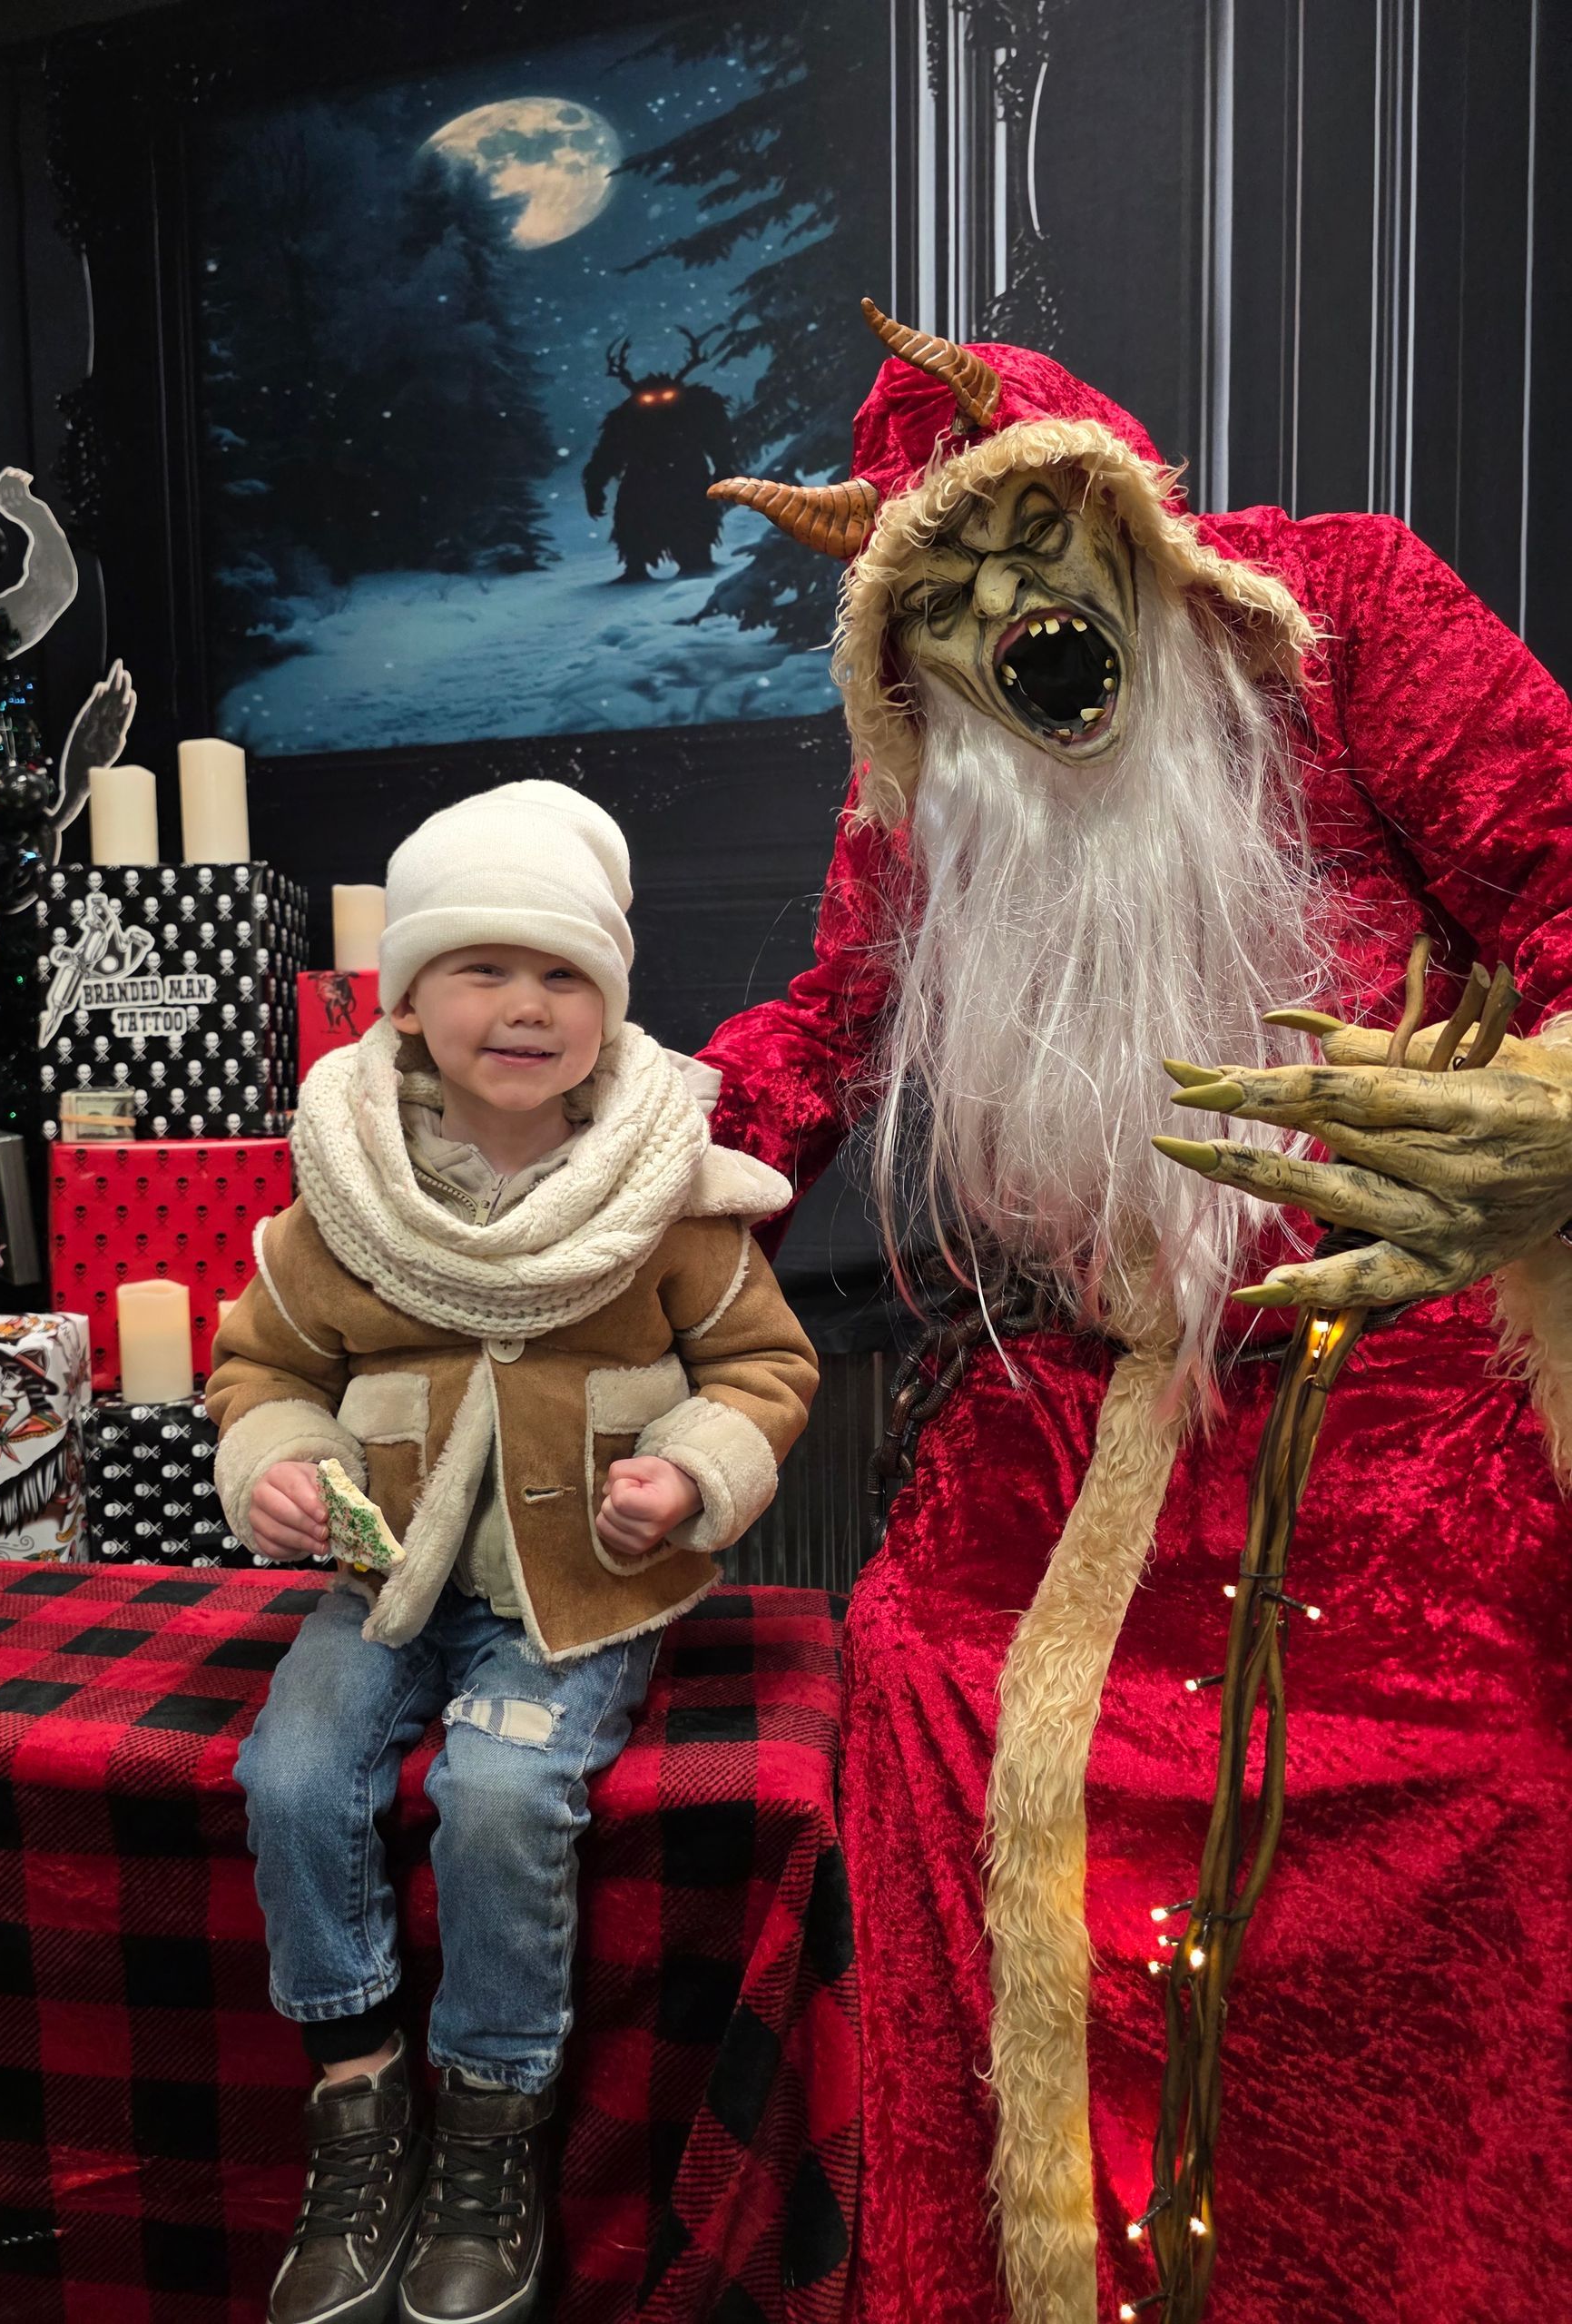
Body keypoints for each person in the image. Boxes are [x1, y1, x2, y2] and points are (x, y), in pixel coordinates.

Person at [699, 300, 1572, 2322]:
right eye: (953, 600)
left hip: (1403, 1375)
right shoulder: (927, 789)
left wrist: (1547, 1114)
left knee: (1458, 1785)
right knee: (922, 1685)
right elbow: (824, 1029)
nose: (1019, 627)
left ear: (1134, 527)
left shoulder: (1337, 610)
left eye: (1037, 554)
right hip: (1079, 1399)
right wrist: (635, 1155)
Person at [206, 780, 818, 2324]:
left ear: (608, 1013)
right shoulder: (338, 1204)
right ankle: (359, 2096)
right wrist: (282, 1466)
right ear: (408, 1001)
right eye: (483, 968)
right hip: (388, 1574)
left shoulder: (665, 1200)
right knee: (289, 1773)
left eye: (565, 976)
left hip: (579, 1591)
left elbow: (766, 1370)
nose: (526, 1006)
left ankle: (490, 2122)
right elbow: (264, 1374)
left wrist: (687, 1475)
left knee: (497, 1794)